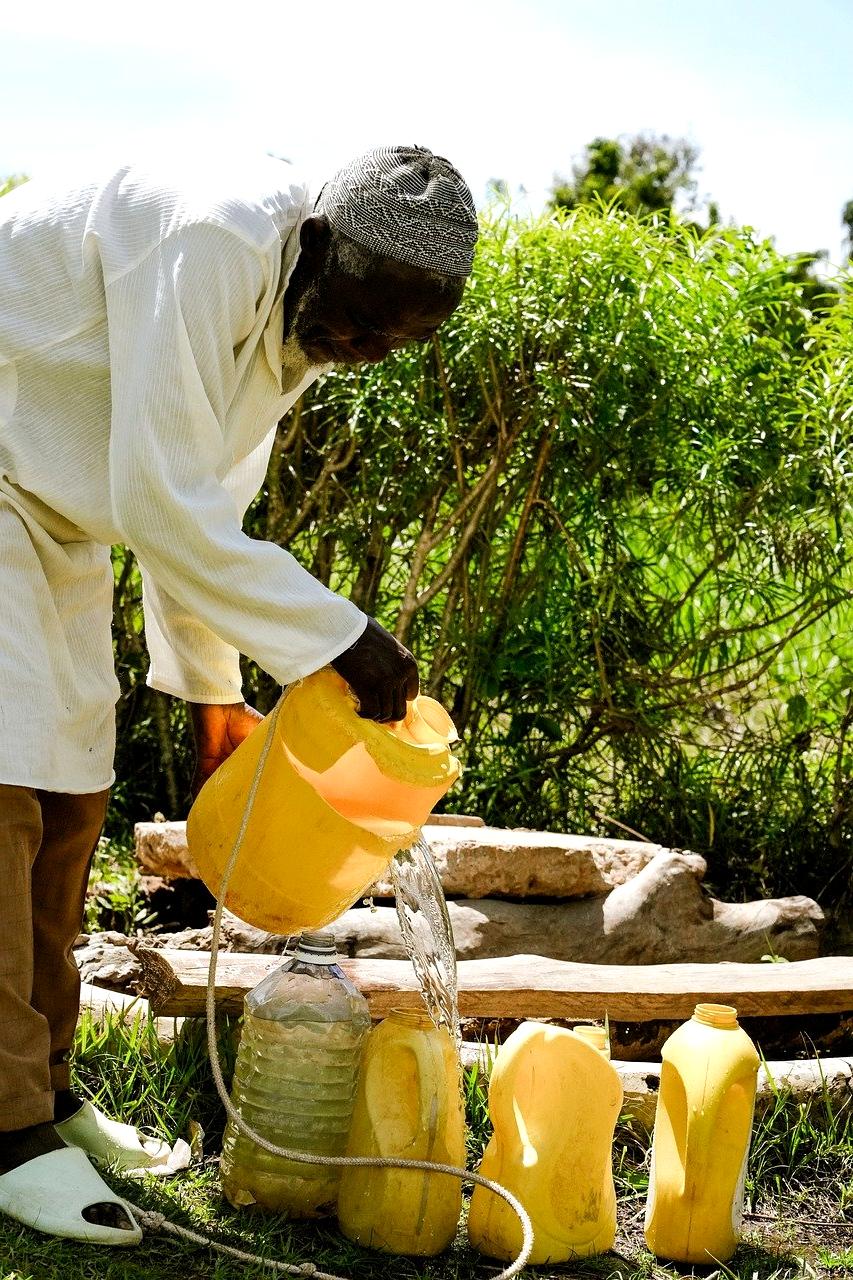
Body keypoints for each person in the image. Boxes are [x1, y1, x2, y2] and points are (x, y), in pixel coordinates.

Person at [0, 145, 477, 1244]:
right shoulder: (214, 237)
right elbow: (162, 500)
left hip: (51, 506)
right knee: (5, 796)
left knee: (71, 799)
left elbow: (203, 506)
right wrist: (341, 639)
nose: (359, 350)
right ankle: (4, 1126)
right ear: (314, 243)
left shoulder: (301, 322)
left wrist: (214, 694)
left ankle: (49, 1089)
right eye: (360, 320)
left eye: (393, 343)